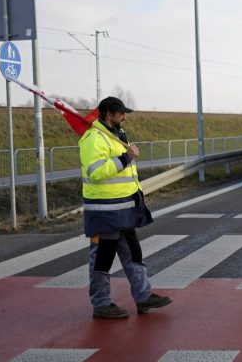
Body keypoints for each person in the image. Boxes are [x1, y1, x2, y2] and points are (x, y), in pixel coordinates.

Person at [80, 97, 171, 319]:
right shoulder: (93, 138)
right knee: (102, 259)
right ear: (109, 114)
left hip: (124, 209)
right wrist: (126, 157)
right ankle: (101, 304)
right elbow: (96, 172)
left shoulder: (116, 136)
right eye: (121, 113)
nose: (125, 117)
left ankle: (143, 296)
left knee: (134, 255)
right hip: (105, 213)